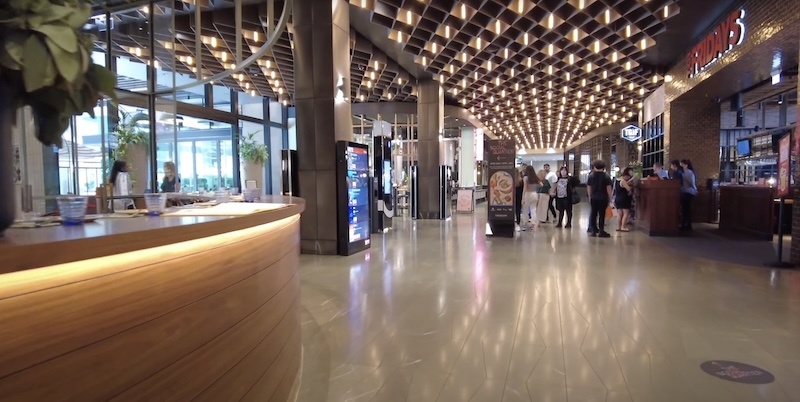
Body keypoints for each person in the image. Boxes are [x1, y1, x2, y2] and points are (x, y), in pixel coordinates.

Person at [586, 160, 613, 238]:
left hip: (594, 197)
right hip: (603, 198)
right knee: (602, 214)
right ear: (604, 167)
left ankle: (593, 230)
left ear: (594, 167)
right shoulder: (606, 176)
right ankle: (601, 231)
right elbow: (609, 188)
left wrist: (590, 196)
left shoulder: (591, 176)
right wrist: (610, 198)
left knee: (593, 214)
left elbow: (589, 187)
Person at [520, 165, 541, 231]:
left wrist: (523, 197)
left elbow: (525, 188)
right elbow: (541, 185)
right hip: (534, 193)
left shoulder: (525, 178)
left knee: (525, 209)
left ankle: (525, 223)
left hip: (528, 194)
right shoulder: (535, 178)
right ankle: (533, 224)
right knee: (533, 209)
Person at [680, 159, 697, 231]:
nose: (681, 166)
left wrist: (695, 189)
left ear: (686, 165)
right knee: (686, 209)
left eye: (682, 164)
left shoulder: (688, 172)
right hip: (686, 192)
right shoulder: (685, 172)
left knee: (686, 209)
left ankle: (686, 225)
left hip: (688, 192)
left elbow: (692, 182)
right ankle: (686, 224)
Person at [614, 167, 634, 232]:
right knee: (626, 213)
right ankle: (623, 227)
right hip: (624, 199)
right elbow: (628, 189)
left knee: (619, 214)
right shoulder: (623, 181)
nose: (628, 178)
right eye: (628, 177)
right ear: (626, 175)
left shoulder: (617, 180)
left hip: (618, 198)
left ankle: (618, 227)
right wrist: (630, 186)